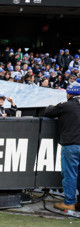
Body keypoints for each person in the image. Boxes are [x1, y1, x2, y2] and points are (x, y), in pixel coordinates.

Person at [43, 79, 80, 213]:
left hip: (71, 145)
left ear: (69, 94)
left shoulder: (66, 105)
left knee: (70, 174)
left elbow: (48, 112)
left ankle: (70, 202)